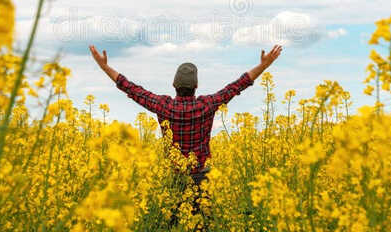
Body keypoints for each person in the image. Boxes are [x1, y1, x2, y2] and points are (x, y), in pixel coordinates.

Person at [86, 43, 282, 178]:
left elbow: (131, 88)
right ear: (196, 86)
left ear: (173, 84)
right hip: (202, 177)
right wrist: (265, 65)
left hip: (175, 178)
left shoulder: (164, 106)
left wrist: (105, 67)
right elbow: (237, 85)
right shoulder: (206, 105)